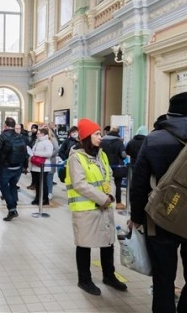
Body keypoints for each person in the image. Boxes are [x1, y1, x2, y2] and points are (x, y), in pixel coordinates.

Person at [130, 92, 187, 313]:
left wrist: (136, 217)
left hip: (162, 216)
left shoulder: (153, 139)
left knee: (163, 278)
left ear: (170, 114)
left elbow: (140, 182)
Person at [66, 118, 127, 296]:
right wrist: (103, 198)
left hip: (104, 206)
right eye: (97, 134)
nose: (101, 137)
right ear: (86, 136)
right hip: (86, 209)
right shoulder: (76, 157)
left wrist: (111, 195)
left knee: (108, 242)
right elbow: (79, 184)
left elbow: (109, 176)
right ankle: (84, 280)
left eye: (100, 133)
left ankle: (109, 275)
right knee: (84, 245)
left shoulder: (102, 155)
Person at [0, 117, 28, 221]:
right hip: (18, 167)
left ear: (5, 125)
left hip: (7, 167)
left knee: (3, 187)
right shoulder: (19, 136)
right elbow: (25, 153)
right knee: (13, 185)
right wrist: (25, 166)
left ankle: (12, 209)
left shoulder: (3, 136)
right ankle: (13, 206)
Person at [100, 129, 127, 209]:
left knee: (106, 183)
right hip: (117, 166)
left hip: (105, 165)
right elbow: (123, 155)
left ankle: (104, 201)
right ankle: (118, 203)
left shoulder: (102, 141)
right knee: (117, 184)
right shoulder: (119, 142)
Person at [30, 128, 54, 205]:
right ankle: (37, 198)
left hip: (43, 165)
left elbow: (49, 154)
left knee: (43, 184)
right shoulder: (38, 142)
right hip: (36, 165)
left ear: (43, 134)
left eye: (38, 133)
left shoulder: (47, 142)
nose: (37, 134)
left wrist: (36, 153)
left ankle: (45, 199)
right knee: (37, 184)